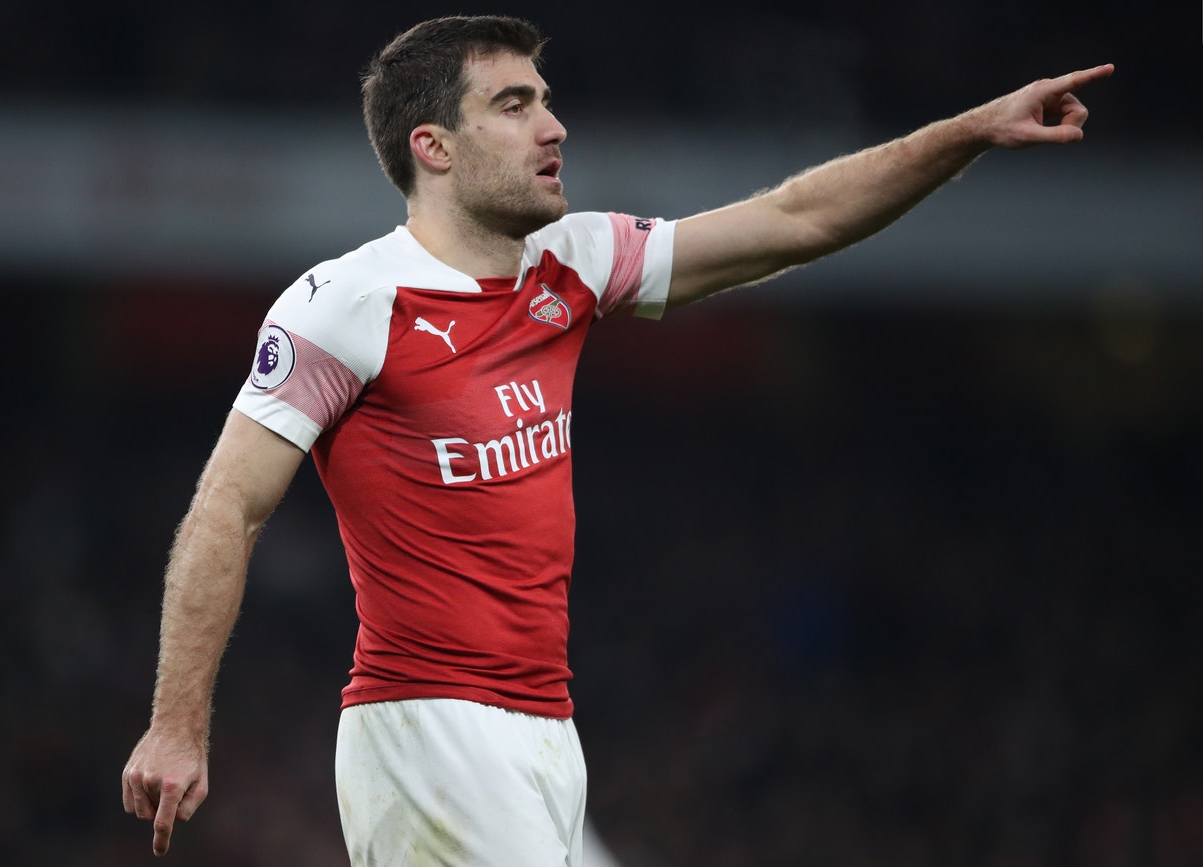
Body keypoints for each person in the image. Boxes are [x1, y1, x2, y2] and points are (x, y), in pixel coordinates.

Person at [120, 14, 1113, 865]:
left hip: (548, 731)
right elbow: (228, 504)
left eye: (546, 101)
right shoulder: (345, 305)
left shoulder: (574, 261)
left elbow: (796, 219)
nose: (553, 126)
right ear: (434, 146)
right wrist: (175, 725)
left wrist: (967, 133)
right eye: (513, 105)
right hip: (429, 727)